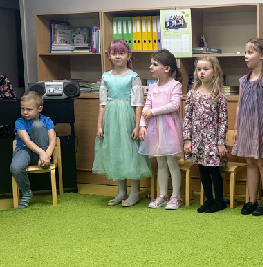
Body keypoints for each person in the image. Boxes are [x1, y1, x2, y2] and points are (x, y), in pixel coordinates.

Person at [93, 39, 151, 207]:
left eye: (121, 53)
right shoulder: (106, 77)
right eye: (114, 53)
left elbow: (138, 103)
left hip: (128, 117)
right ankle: (121, 192)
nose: (117, 56)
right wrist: (99, 125)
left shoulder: (133, 77)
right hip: (110, 119)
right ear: (109, 56)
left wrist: (137, 125)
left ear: (128, 55)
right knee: (116, 152)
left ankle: (134, 193)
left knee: (130, 153)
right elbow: (102, 103)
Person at [231, 38, 263, 216]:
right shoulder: (244, 80)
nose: (246, 56)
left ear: (261, 55)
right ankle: (251, 200)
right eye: (245, 52)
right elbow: (239, 105)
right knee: (250, 163)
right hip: (246, 127)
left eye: (250, 52)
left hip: (261, 129)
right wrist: (237, 128)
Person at [139, 50, 184, 210]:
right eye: (151, 64)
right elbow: (146, 107)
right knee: (160, 163)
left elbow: (174, 105)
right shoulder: (152, 87)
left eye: (154, 64)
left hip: (170, 128)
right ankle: (163, 195)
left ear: (166, 68)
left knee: (172, 162)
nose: (150, 67)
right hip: (155, 129)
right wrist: (142, 124)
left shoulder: (175, 85)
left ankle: (176, 196)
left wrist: (153, 112)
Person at [183, 55, 229, 213]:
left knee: (213, 171)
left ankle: (219, 201)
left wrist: (220, 143)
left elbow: (223, 121)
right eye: (199, 69)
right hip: (198, 140)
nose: (201, 72)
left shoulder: (219, 96)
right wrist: (187, 140)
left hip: (213, 141)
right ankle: (209, 200)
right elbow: (187, 118)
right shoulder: (192, 94)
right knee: (202, 170)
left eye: (206, 69)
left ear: (214, 72)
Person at [10, 92, 56, 209]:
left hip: (42, 152)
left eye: (29, 109)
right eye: (22, 109)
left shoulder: (47, 120)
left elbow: (52, 141)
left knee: (37, 125)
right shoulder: (19, 122)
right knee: (15, 167)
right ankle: (26, 193)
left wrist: (46, 155)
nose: (25, 112)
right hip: (25, 150)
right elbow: (27, 142)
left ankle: (44, 161)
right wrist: (42, 153)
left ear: (39, 109)